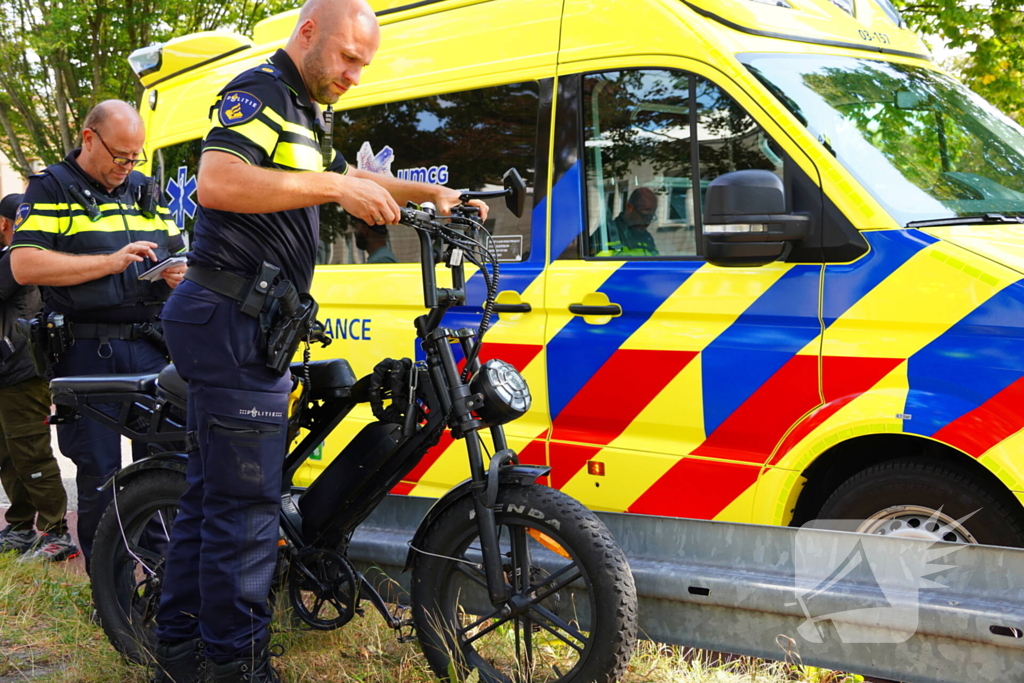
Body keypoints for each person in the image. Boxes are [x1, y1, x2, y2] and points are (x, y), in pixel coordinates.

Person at [150, 0, 487, 680]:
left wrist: (429, 195)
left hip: (245, 319)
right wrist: (333, 184)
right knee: (245, 511)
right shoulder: (257, 93)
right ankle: (235, 666)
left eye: (364, 64)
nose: (355, 75)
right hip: (228, 318)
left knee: (214, 498)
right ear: (307, 34)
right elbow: (217, 181)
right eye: (348, 58)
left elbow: (352, 179)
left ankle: (180, 655)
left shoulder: (303, 111)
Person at [9, 101, 187, 569]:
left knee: (164, 469)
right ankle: (110, 587)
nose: (127, 167)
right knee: (100, 476)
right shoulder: (52, 187)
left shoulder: (146, 189)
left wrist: (177, 274)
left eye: (135, 157)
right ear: (89, 139)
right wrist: (109, 264)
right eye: (120, 156)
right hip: (89, 352)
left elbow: (179, 252)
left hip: (152, 347)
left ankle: (162, 582)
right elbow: (24, 264)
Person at [0, 194, 78, 562]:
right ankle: (19, 526)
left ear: (4, 223)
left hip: (22, 371)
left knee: (30, 452)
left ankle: (56, 532)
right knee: (8, 454)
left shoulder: (19, 260)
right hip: (8, 372)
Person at [600, 186, 660, 256]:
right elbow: (596, 264)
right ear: (629, 207)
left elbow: (656, 262)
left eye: (651, 217)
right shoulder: (606, 234)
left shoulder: (646, 237)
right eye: (644, 215)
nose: (647, 223)